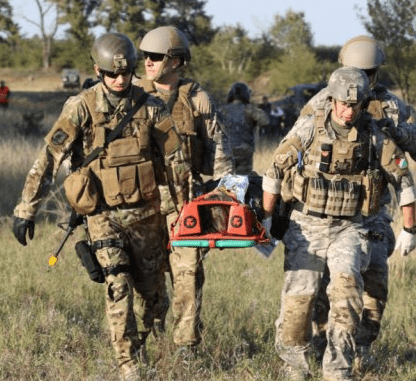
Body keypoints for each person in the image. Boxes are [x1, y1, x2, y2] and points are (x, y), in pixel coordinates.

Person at [11, 32, 191, 381]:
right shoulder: (81, 107)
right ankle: (128, 366)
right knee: (117, 283)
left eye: (126, 73)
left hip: (147, 214)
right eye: (112, 74)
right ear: (98, 70)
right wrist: (25, 208)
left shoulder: (150, 106)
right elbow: (49, 157)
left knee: (153, 296)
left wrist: (183, 211)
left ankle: (156, 345)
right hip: (102, 215)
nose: (120, 80)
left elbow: (176, 158)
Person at [262, 66, 416, 381]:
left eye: (356, 105)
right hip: (306, 226)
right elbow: (274, 172)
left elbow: (403, 182)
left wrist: (409, 228)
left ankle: (338, 369)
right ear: (332, 100)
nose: (349, 111)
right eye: (343, 104)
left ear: (363, 103)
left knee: (347, 298)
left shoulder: (374, 134)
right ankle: (295, 366)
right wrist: (267, 219)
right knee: (299, 301)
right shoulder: (309, 128)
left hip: (350, 229)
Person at [299, 34, 416, 372]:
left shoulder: (393, 106)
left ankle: (362, 346)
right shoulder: (322, 102)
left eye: (369, 73)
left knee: (375, 281)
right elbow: (296, 149)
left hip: (373, 212)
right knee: (324, 284)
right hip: (327, 211)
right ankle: (324, 344)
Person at [137, 25, 234, 354]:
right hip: (141, 203)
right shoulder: (132, 96)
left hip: (186, 203)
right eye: (145, 56)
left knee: (188, 276)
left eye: (155, 56)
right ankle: (149, 339)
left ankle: (186, 351)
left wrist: (222, 203)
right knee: (146, 278)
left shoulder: (198, 99)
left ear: (176, 61)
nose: (147, 62)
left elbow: (220, 155)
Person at [219, 82, 269, 175]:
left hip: (226, 151)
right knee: (242, 180)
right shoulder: (249, 109)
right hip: (244, 151)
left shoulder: (222, 110)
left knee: (226, 181)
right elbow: (265, 121)